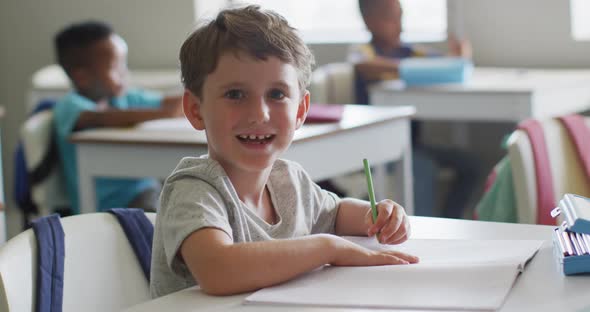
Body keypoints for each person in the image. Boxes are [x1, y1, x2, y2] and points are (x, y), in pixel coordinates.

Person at [150, 5, 418, 298]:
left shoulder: (289, 180)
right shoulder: (194, 190)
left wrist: (378, 214)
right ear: (195, 109)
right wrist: (327, 247)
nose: (259, 113)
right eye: (235, 94)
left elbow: (337, 213)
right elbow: (218, 271)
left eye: (277, 94)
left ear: (301, 110)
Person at [350, 0, 481, 218]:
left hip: (414, 145)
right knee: (421, 168)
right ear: (369, 21)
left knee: (471, 165)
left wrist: (461, 55)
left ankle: (449, 220)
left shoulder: (410, 52)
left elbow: (451, 65)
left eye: (400, 16)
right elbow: (363, 65)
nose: (400, 24)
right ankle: (423, 231)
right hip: (382, 149)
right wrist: (411, 69)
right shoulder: (365, 53)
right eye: (390, 18)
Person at [53, 21, 183, 214]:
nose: (125, 74)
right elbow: (99, 118)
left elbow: (174, 104)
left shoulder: (124, 98)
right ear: (82, 77)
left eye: (125, 65)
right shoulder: (70, 106)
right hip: (106, 208)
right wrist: (165, 114)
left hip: (146, 191)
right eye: (116, 67)